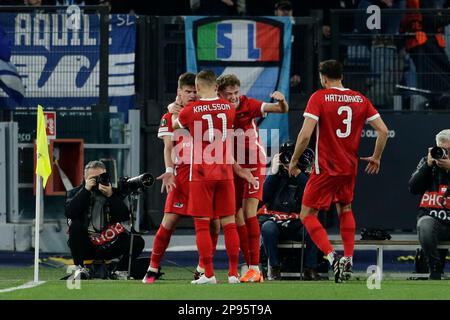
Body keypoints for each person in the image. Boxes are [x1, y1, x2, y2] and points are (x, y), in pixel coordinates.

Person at [288, 60, 389, 283]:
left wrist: (294, 161)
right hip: (349, 167)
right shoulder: (360, 98)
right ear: (341, 76)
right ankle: (349, 259)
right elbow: (383, 130)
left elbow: (305, 135)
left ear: (323, 78)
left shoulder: (319, 97)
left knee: (307, 215)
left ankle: (334, 258)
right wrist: (376, 157)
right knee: (345, 207)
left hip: (325, 167)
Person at [172, 70, 252, 284]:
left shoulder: (189, 110)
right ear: (216, 87)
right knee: (229, 223)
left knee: (202, 225)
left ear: (197, 89)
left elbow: (175, 125)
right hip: (225, 172)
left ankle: (208, 274)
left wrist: (173, 110)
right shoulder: (228, 107)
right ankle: (234, 274)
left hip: (201, 174)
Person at [216, 73, 289, 283]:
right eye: (229, 94)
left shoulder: (248, 104)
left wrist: (282, 101)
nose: (233, 97)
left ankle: (255, 268)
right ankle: (249, 266)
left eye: (236, 93)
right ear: (220, 94)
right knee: (234, 215)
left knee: (249, 212)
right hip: (232, 165)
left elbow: (279, 109)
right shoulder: (218, 110)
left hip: (253, 164)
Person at [142, 72, 206, 284]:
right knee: (167, 223)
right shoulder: (168, 116)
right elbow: (168, 146)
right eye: (188, 91)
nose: (192, 95)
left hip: (201, 175)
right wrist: (169, 171)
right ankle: (152, 268)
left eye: (195, 91)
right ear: (179, 91)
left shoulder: (201, 113)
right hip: (180, 176)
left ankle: (203, 269)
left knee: (205, 225)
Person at [65, 160, 145, 280]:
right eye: (93, 178)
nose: (97, 180)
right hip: (86, 245)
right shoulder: (75, 192)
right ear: (84, 177)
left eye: (101, 177)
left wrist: (111, 196)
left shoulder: (115, 192)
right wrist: (86, 190)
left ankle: (119, 270)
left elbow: (124, 216)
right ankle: (80, 268)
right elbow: (70, 213)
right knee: (75, 226)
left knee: (137, 241)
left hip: (110, 244)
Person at [258, 141, 320, 281]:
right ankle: (274, 268)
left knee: (314, 228)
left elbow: (312, 193)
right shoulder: (277, 176)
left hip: (298, 223)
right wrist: (272, 173)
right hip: (277, 222)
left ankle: (310, 269)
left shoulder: (306, 175)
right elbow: (263, 197)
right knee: (267, 227)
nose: (289, 160)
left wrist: (297, 172)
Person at [408, 129, 450, 280]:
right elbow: (413, 188)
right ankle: (435, 270)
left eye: (448, 150)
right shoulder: (427, 162)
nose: (444, 153)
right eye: (441, 149)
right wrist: (427, 165)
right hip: (433, 218)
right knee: (425, 225)